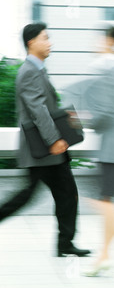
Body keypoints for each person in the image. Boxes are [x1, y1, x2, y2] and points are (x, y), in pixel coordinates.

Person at [0, 22, 90, 257]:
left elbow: (45, 107)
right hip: (44, 149)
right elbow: (37, 110)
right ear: (32, 42)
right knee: (53, 194)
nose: (49, 43)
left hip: (45, 149)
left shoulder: (37, 69)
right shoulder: (29, 71)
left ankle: (65, 243)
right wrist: (54, 140)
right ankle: (65, 243)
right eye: (45, 38)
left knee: (61, 194)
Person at [64, 26, 114, 276]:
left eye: (101, 37)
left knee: (109, 204)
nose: (96, 41)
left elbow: (110, 112)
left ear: (112, 41)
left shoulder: (112, 71)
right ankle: (104, 255)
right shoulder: (111, 69)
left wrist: (81, 120)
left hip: (113, 148)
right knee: (111, 203)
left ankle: (105, 255)